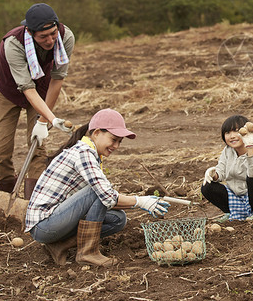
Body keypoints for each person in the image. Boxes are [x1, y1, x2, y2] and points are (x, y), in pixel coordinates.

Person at [25, 108, 170, 267]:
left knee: (118, 220)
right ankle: (87, 253)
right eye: (113, 139)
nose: (116, 146)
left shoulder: (90, 153)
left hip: (57, 219)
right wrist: (140, 201)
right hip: (44, 225)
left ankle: (60, 246)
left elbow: (106, 198)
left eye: (119, 142)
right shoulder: (84, 153)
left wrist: (138, 201)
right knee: (97, 191)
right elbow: (106, 196)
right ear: (96, 133)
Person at [0, 3, 75, 200]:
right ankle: (6, 197)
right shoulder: (13, 44)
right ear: (30, 32)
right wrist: (52, 118)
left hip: (41, 88)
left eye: (53, 33)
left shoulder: (66, 37)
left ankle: (34, 202)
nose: (50, 40)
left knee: (37, 145)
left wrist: (44, 121)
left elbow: (57, 79)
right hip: (10, 90)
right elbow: (26, 89)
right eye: (43, 37)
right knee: (3, 149)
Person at [201, 115, 253, 222]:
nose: (232, 136)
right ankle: (230, 212)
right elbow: (221, 173)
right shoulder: (227, 151)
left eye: (237, 131)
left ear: (246, 133)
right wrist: (213, 174)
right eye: (228, 133)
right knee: (207, 186)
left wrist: (250, 148)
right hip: (237, 198)